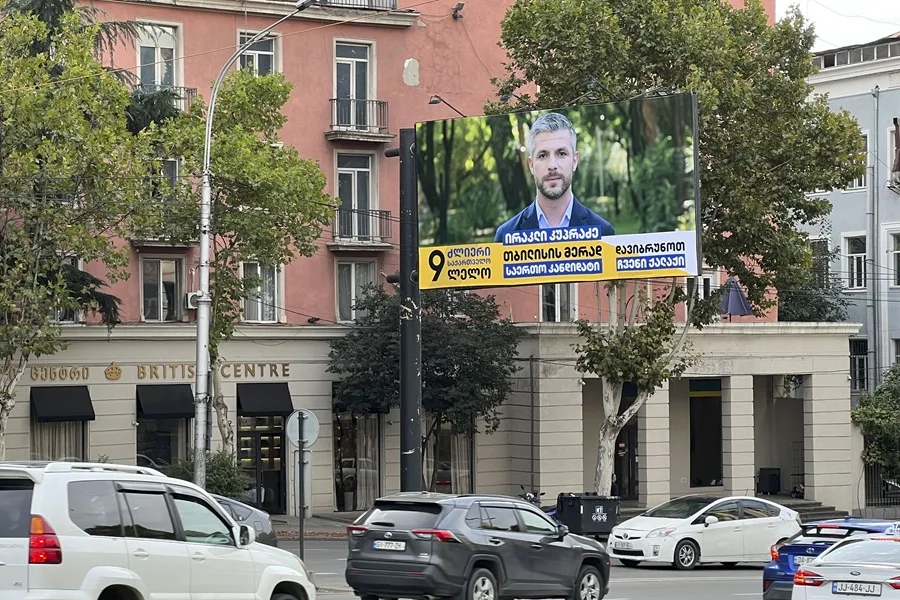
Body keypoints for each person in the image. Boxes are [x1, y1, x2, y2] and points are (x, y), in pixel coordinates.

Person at [494, 112, 616, 243]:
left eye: (561, 153)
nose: (552, 165)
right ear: (531, 165)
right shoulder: (506, 237)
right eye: (542, 155)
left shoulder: (603, 233)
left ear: (575, 161)